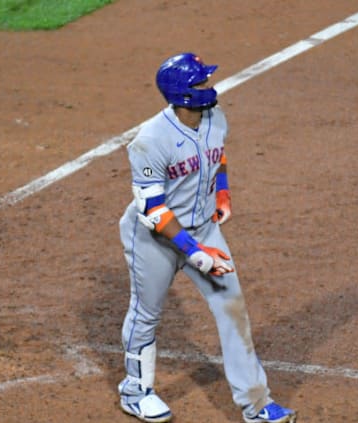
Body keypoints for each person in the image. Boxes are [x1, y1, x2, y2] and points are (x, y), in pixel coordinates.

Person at [116, 52, 297, 423]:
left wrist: (223, 193)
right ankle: (135, 392)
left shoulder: (215, 116)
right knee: (146, 313)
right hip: (154, 238)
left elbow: (218, 156)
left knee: (232, 308)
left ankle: (257, 405)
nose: (210, 87)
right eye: (202, 83)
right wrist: (197, 254)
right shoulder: (150, 140)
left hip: (203, 227)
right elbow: (154, 211)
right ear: (184, 95)